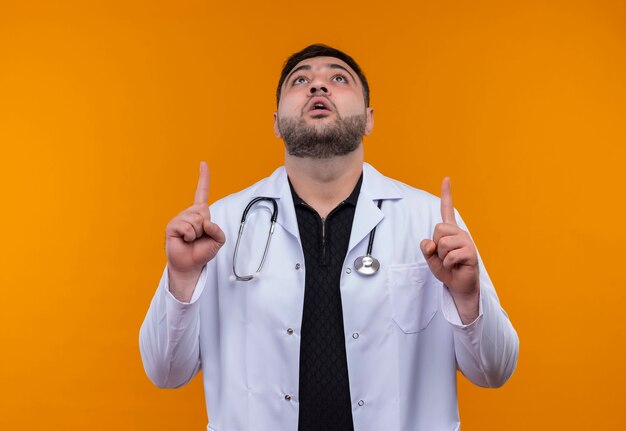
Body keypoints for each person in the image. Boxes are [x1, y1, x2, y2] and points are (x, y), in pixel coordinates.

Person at [139, 44, 519, 431]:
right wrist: (182, 279)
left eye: (339, 78)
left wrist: (468, 299)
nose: (318, 87)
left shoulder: (429, 221)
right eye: (300, 80)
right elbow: (165, 372)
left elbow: (495, 371)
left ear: (369, 119)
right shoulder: (220, 226)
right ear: (275, 122)